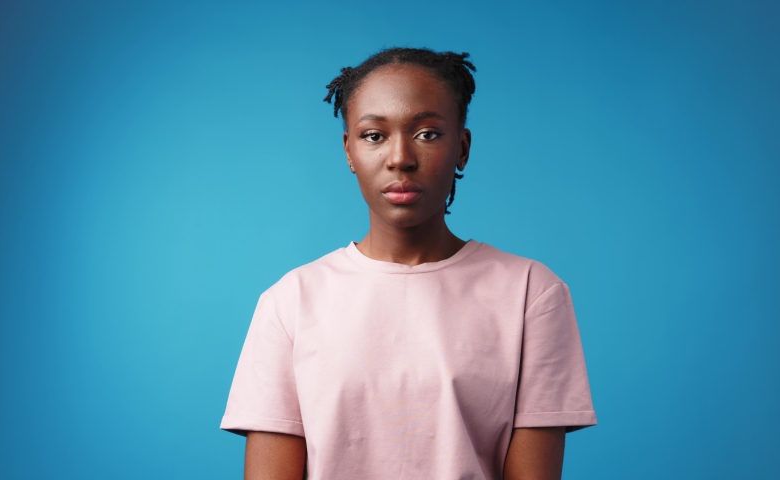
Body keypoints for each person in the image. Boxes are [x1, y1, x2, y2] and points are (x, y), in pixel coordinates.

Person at [221, 47, 597, 480]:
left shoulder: (532, 293)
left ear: (463, 147)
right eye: (373, 135)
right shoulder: (289, 302)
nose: (400, 158)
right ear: (349, 150)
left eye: (428, 133)